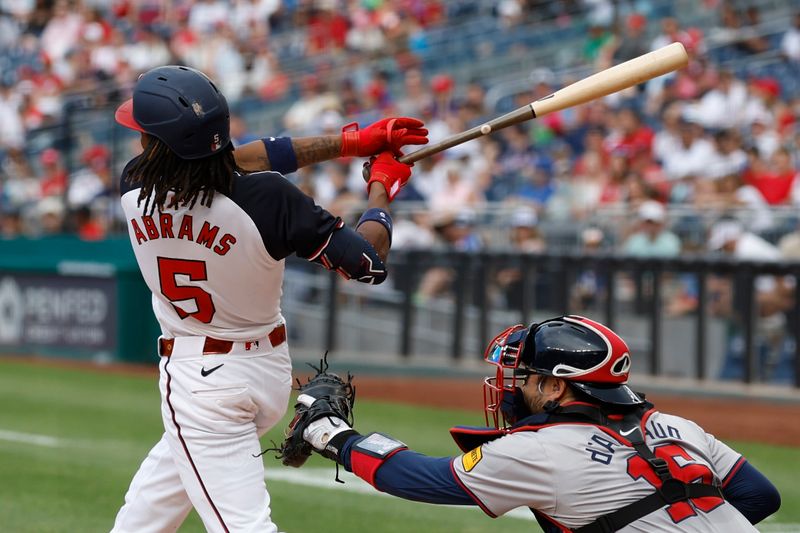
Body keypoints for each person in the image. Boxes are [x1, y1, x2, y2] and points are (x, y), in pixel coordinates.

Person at [110, 65, 426, 533]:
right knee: (147, 511)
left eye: (146, 134)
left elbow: (240, 160)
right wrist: (381, 188)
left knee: (244, 526)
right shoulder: (269, 200)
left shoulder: (136, 185)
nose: (139, 141)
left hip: (203, 384)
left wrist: (355, 144)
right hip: (267, 369)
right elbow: (368, 263)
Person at [293, 315, 781, 531]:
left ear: (556, 387)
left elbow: (413, 477)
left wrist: (331, 433)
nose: (511, 385)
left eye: (525, 376)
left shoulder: (540, 450)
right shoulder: (677, 426)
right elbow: (761, 497)